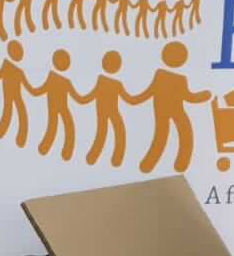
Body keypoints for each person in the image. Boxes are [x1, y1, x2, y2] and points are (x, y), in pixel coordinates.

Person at [134, 42, 210, 173]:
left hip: (165, 111)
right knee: (182, 134)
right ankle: (177, 164)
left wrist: (133, 99)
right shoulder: (175, 78)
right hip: (175, 111)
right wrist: (203, 95)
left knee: (163, 136)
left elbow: (148, 93)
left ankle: (149, 165)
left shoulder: (163, 76)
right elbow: (189, 97)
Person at [82, 51, 137, 167]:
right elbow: (128, 99)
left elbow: (91, 95)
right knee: (118, 131)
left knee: (102, 133)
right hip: (112, 111)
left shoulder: (102, 82)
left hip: (102, 111)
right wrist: (140, 98)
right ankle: (116, 158)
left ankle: (93, 157)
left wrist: (80, 99)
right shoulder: (115, 84)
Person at [34, 49, 81, 160]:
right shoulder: (61, 81)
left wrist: (31, 89)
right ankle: (63, 151)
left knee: (54, 126)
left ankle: (46, 147)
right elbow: (77, 97)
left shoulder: (55, 79)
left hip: (56, 108)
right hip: (61, 108)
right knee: (65, 126)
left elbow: (40, 90)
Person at [0, 40, 32, 148]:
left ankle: (14, 135)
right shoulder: (8, 67)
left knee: (14, 112)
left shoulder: (16, 70)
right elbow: (28, 87)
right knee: (12, 112)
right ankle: (3, 132)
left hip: (16, 96)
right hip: (11, 96)